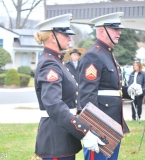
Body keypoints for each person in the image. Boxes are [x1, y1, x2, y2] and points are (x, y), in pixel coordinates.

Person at [34, 13, 105, 160]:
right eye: (65, 34)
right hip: (56, 140)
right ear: (53, 37)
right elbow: (54, 104)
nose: (70, 38)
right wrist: (83, 131)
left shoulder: (56, 61)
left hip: (62, 136)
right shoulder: (50, 64)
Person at [78, 12, 143, 160]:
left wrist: (128, 91)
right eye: (114, 29)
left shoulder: (108, 53)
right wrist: (91, 130)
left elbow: (112, 89)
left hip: (112, 124)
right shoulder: (93, 55)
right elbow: (87, 96)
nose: (119, 32)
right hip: (100, 126)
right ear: (101, 31)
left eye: (119, 29)